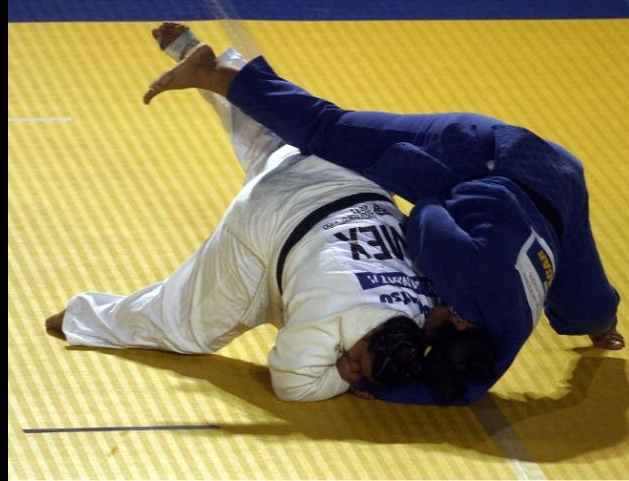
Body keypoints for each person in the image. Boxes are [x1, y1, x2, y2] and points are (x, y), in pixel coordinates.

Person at [141, 29, 625, 405]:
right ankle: (216, 72)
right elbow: (423, 215)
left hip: (559, 188)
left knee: (589, 309)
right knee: (329, 131)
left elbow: (463, 393)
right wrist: (390, 168)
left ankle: (602, 324)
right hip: (484, 155)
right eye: (433, 318)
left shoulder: (501, 336)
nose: (424, 313)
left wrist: (381, 385)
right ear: (455, 321)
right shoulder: (459, 268)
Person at [44, 26, 440, 403]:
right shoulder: (328, 320)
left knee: (271, 137)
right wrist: (344, 379)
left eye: (356, 370)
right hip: (270, 224)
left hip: (349, 179)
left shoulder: (426, 309)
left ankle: (195, 56)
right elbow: (293, 385)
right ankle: (83, 318)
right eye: (357, 360)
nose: (349, 365)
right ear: (373, 337)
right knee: (186, 327)